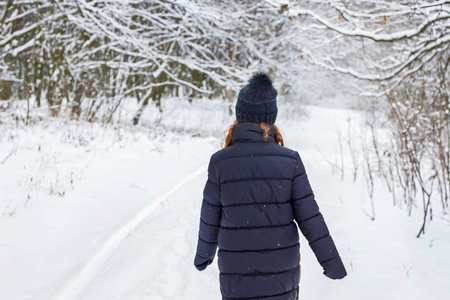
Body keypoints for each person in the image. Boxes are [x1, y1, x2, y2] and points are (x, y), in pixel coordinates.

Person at [194, 72, 347, 300]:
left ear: (239, 116)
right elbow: (310, 216)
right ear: (271, 117)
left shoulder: (221, 161)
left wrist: (203, 255)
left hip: (236, 270)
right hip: (280, 271)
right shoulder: (289, 160)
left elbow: (210, 214)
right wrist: (331, 262)